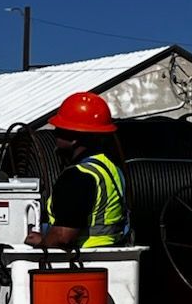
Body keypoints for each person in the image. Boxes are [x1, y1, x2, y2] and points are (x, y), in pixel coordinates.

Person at [25, 92, 131, 250]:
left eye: (58, 132)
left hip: (81, 258)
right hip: (110, 253)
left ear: (73, 138)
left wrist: (42, 242)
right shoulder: (109, 168)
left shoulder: (77, 177)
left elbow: (63, 236)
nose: (55, 138)